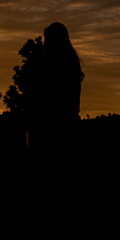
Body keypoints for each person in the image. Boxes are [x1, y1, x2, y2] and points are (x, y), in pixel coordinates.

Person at [25, 22, 84, 153]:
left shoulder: (39, 65)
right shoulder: (71, 66)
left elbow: (25, 87)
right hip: (67, 130)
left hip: (42, 130)